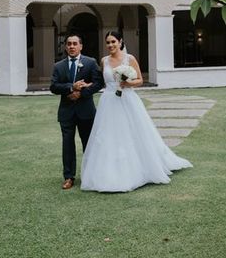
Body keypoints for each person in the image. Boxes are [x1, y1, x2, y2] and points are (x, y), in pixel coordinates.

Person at [81, 31, 192, 192]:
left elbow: (140, 79)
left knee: (132, 133)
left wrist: (128, 83)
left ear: (120, 42)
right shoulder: (104, 60)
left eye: (113, 42)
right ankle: (108, 172)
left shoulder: (129, 59)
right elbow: (101, 82)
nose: (110, 45)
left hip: (127, 99)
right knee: (108, 135)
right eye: (108, 42)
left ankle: (140, 168)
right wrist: (87, 86)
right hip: (109, 101)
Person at [50, 34, 104, 190]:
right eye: (69, 44)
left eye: (75, 44)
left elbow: (98, 83)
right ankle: (68, 177)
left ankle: (90, 174)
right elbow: (53, 87)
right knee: (67, 144)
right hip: (66, 112)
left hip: (86, 111)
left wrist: (81, 93)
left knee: (88, 143)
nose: (72, 46)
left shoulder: (90, 62)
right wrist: (71, 87)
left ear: (81, 46)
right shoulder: (58, 66)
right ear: (66, 47)